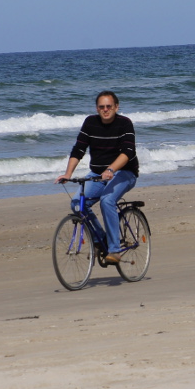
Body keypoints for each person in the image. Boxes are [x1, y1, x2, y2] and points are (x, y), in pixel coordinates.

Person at [56, 90, 139, 264]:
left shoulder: (125, 124)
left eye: (109, 106)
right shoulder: (90, 122)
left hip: (124, 172)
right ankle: (99, 239)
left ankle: (115, 250)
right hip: (97, 174)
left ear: (116, 107)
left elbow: (128, 152)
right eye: (101, 107)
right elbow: (79, 149)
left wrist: (111, 169)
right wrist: (68, 174)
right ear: (97, 108)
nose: (105, 110)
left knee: (107, 200)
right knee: (77, 204)